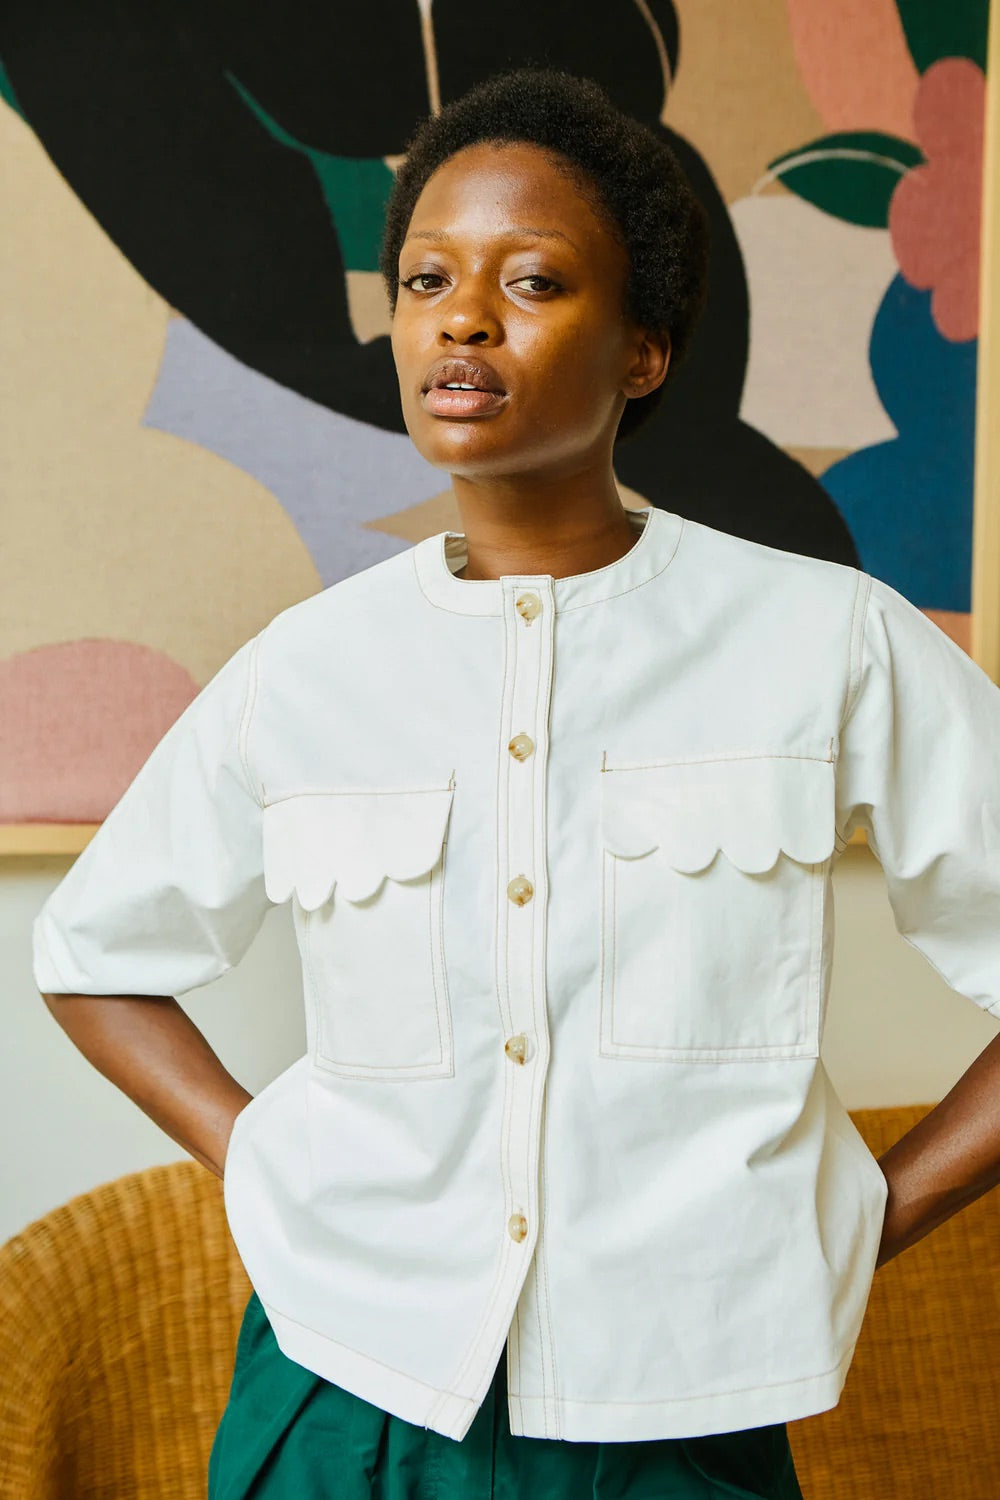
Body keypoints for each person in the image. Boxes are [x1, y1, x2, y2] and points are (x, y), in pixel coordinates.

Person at [32, 65, 1000, 1500]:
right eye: (428, 279)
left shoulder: (832, 640)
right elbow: (90, 956)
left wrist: (867, 1210)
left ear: (644, 351)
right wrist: (260, 1159)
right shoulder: (307, 670)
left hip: (679, 1409)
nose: (463, 319)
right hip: (345, 1398)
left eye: (533, 280)